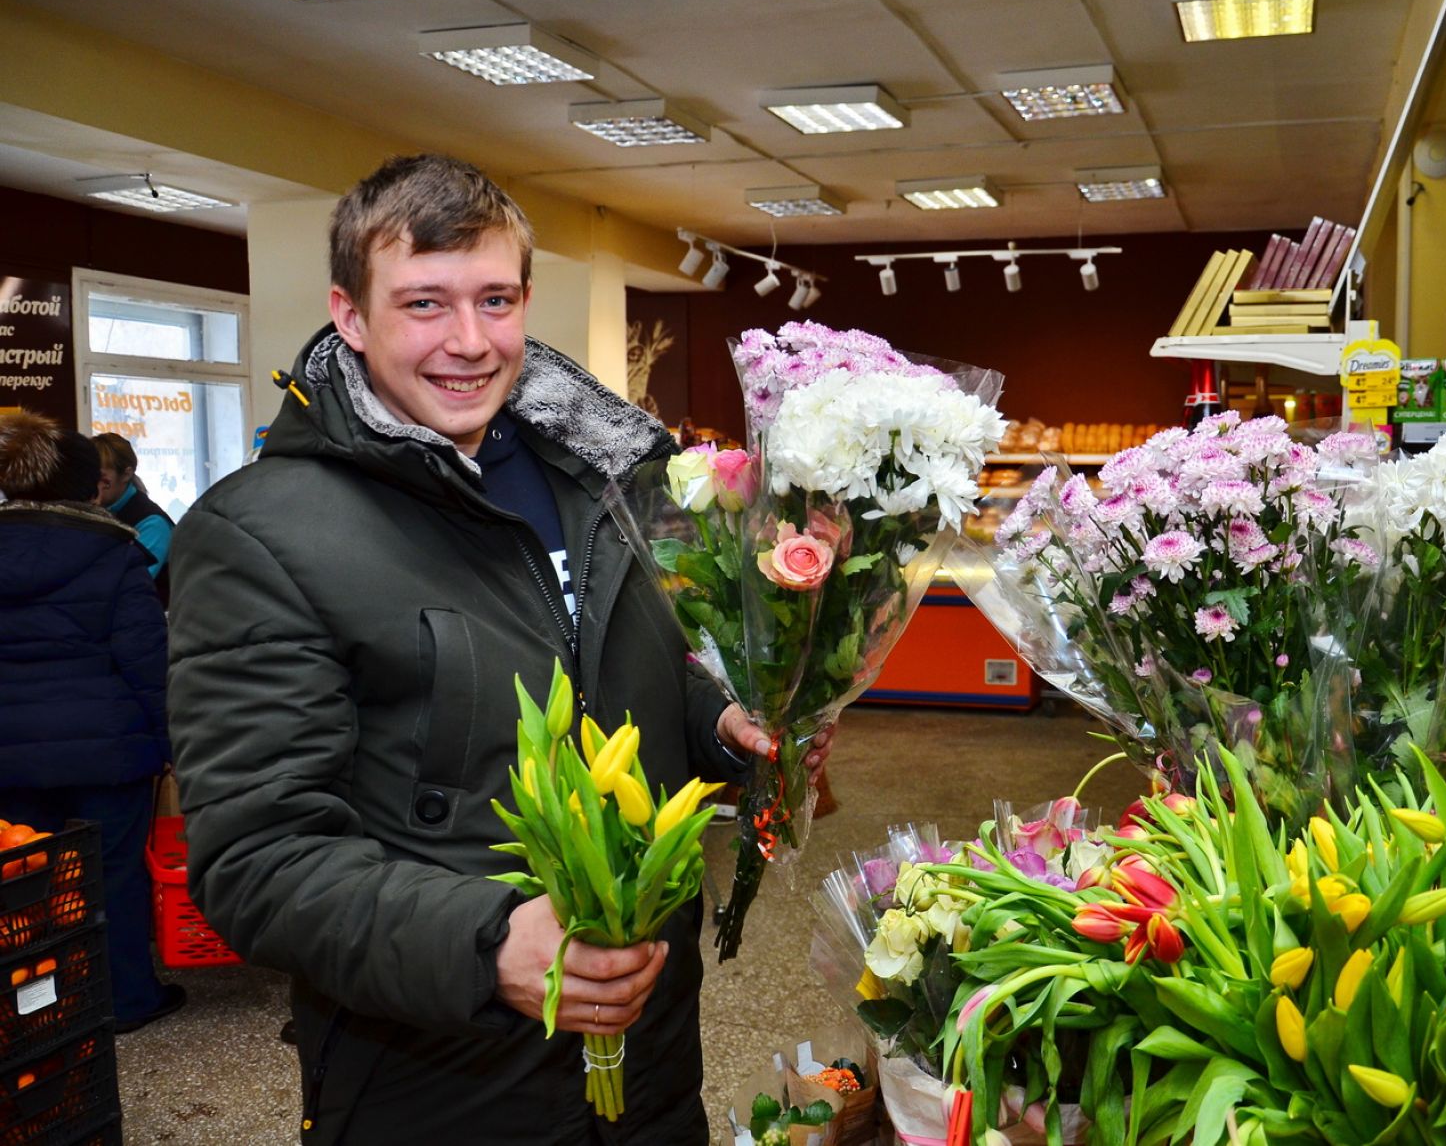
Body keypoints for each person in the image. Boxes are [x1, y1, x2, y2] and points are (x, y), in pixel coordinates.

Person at [166, 154, 827, 1145]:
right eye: (424, 304)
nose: (468, 342)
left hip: (647, 1053)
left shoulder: (605, 486)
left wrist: (723, 723)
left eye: (495, 299)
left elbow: (629, 683)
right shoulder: (259, 533)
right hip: (439, 1076)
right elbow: (258, 857)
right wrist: (488, 946)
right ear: (350, 316)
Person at [0, 412, 186, 1032]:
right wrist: (170, 745)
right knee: (113, 876)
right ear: (89, 485)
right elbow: (145, 662)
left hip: (10, 754)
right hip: (109, 751)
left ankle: (38, 1008)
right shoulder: (113, 550)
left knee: (24, 884)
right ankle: (126, 1000)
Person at [93, 431, 175, 604]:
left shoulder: (153, 523)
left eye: (103, 481)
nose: (94, 487)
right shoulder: (103, 510)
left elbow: (128, 583)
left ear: (126, 474)